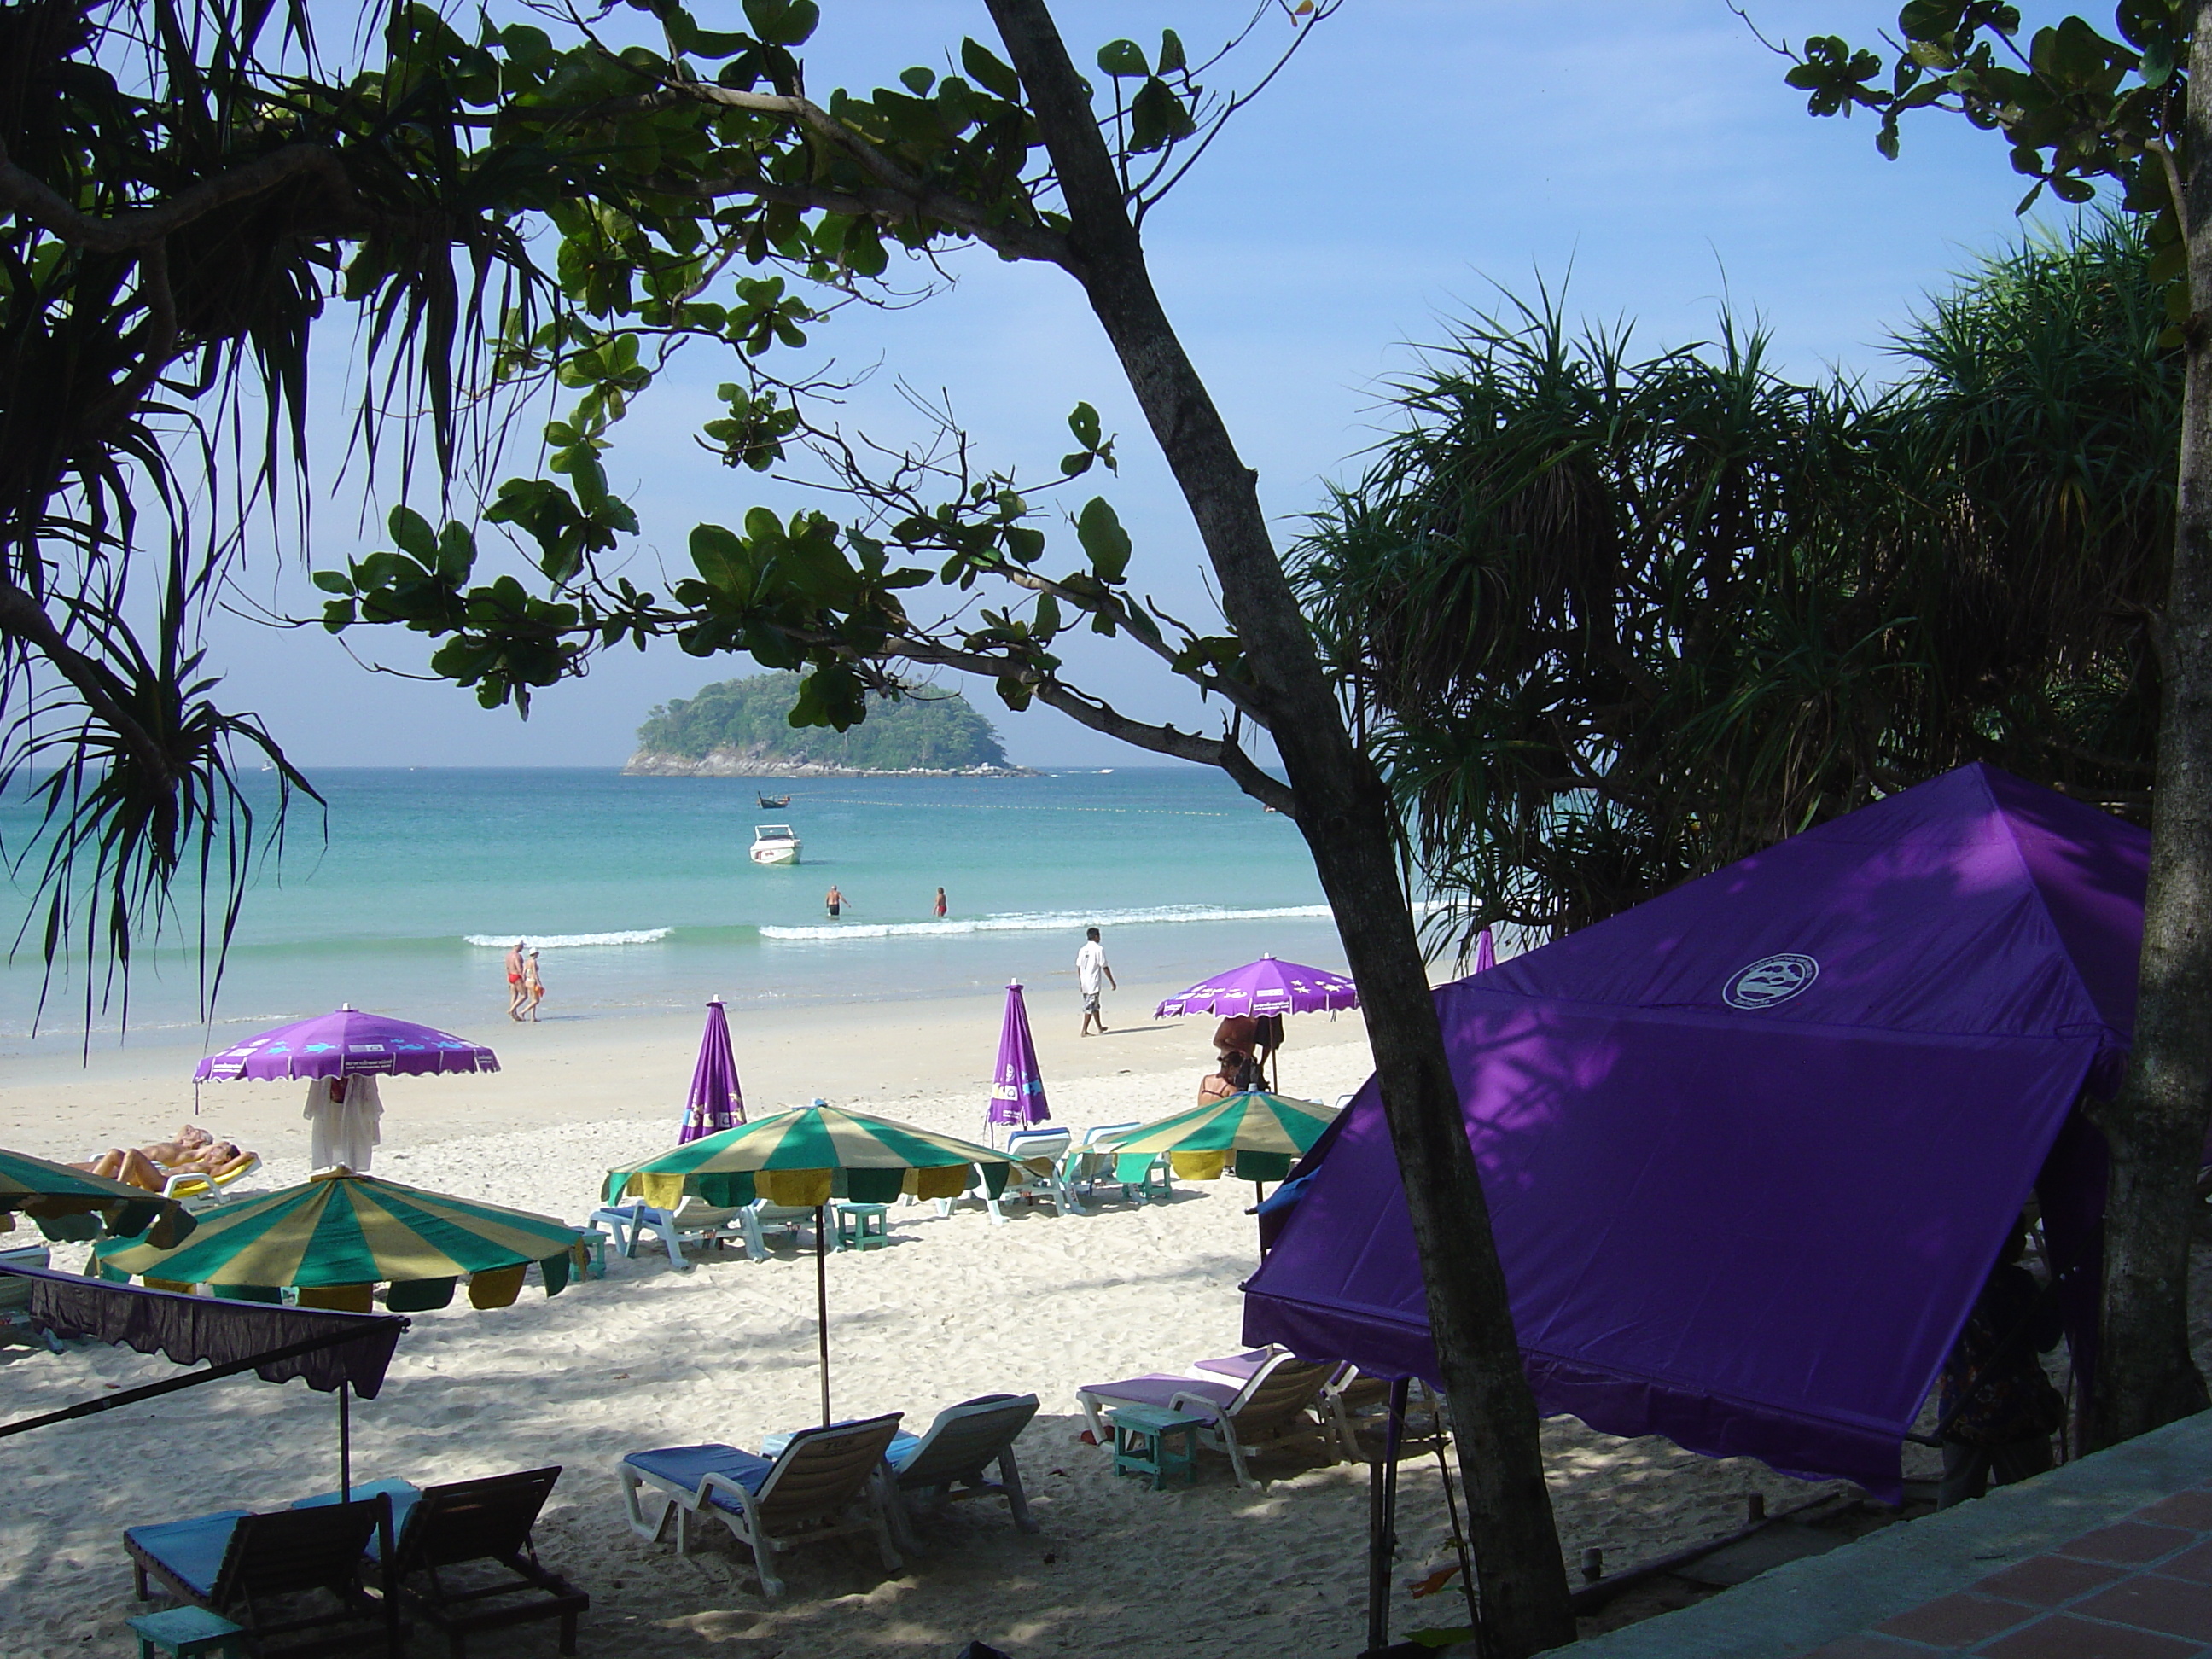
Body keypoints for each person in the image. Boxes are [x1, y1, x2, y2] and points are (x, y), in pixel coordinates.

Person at [1936, 1220, 2068, 1507]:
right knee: (2029, 1499)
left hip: (1960, 1410)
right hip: (2016, 1410)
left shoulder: (1948, 1284)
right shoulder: (2017, 1284)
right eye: (2019, 1235)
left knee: (1955, 1497)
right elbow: (2046, 1340)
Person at [1076, 926, 1116, 1035]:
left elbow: (1079, 967)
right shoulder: (1099, 949)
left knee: (1095, 1005)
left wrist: (1081, 981)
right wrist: (1112, 981)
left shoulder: (1082, 949)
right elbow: (1104, 966)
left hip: (1085, 982)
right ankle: (1084, 1030)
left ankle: (1099, 1026)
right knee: (1089, 1006)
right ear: (1096, 937)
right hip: (1093, 982)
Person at [505, 939, 527, 1021]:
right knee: (524, 995)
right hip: (517, 976)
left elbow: (507, 967)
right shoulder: (517, 956)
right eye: (522, 947)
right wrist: (524, 979)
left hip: (511, 975)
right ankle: (511, 1010)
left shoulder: (508, 955)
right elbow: (519, 969)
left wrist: (508, 977)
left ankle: (514, 1014)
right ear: (518, 946)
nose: (522, 948)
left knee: (514, 995)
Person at [523, 950, 546, 1021]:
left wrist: (524, 981)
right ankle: (523, 1012)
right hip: (533, 981)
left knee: (532, 1000)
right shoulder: (533, 962)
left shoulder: (526, 962)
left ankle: (533, 1017)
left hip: (527, 981)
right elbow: (535, 973)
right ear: (535, 954)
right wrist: (539, 983)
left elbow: (523, 972)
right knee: (536, 1001)